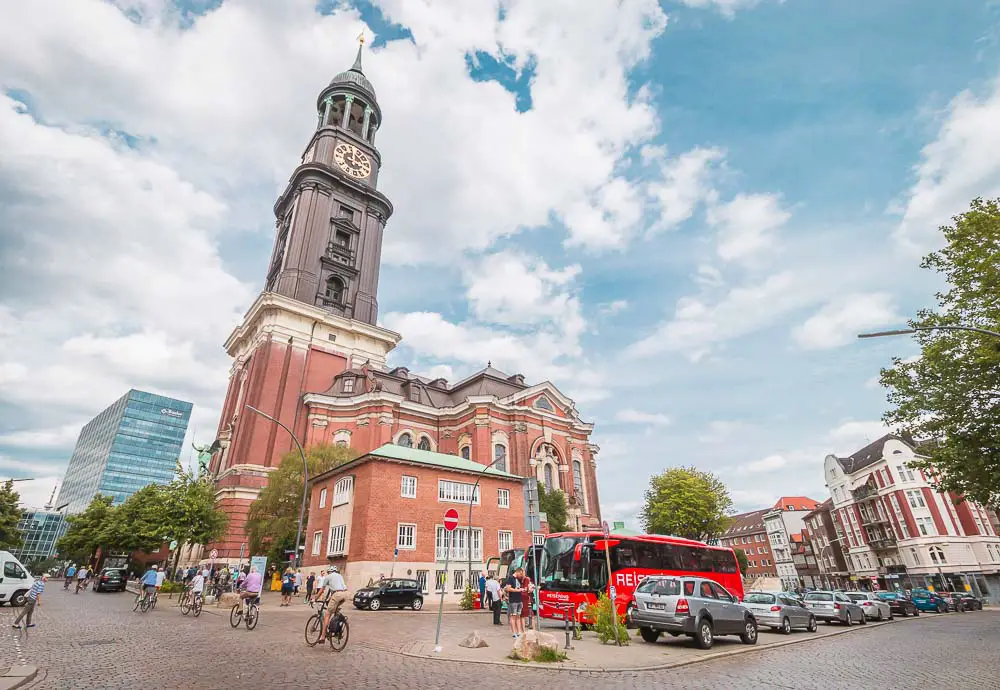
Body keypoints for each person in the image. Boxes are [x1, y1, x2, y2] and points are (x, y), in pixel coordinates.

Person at [316, 566, 348, 643]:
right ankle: (338, 628)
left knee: (327, 614)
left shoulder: (328, 577)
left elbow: (322, 590)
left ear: (329, 571)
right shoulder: (340, 576)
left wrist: (315, 598)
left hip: (337, 595)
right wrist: (329, 598)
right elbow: (338, 589)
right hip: (345, 594)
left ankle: (322, 637)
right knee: (335, 612)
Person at [504, 567, 526, 639]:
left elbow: (524, 578)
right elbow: (507, 588)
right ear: (517, 572)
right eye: (520, 573)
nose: (521, 575)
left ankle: (519, 632)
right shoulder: (510, 578)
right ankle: (514, 633)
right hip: (513, 600)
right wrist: (517, 590)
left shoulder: (519, 579)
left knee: (518, 616)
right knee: (513, 617)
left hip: (519, 600)